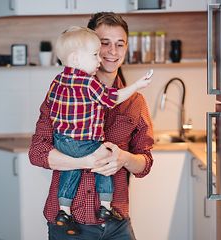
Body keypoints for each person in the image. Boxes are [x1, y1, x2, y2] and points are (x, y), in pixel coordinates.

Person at [29, 12, 154, 240]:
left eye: (120, 44)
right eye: (104, 44)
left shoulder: (136, 102)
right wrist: (86, 161)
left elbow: (144, 163)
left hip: (117, 225)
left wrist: (123, 158)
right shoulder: (60, 94)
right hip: (69, 225)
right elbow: (37, 153)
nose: (112, 52)